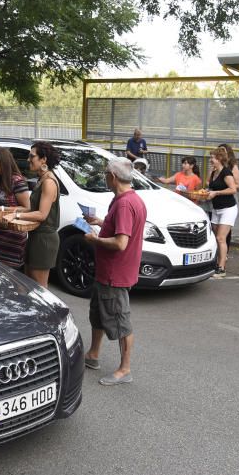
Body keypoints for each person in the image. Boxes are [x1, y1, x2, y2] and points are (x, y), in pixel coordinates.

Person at [82, 157, 146, 386]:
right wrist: (99, 221)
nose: (105, 178)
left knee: (120, 321)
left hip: (115, 274)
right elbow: (120, 228)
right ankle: (93, 355)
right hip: (107, 272)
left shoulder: (125, 204)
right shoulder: (124, 200)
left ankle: (125, 369)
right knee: (98, 315)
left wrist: (94, 239)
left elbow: (121, 243)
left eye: (106, 174)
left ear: (114, 177)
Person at [0, 141, 61, 287]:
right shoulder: (42, 179)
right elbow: (32, 209)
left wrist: (16, 216)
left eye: (32, 156)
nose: (28, 160)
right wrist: (10, 210)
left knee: (39, 289)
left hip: (44, 240)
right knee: (29, 284)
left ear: (43, 159)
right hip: (35, 237)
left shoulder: (49, 182)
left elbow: (41, 215)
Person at [0, 147, 30, 268]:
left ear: (4, 162)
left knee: (12, 279)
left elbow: (27, 208)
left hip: (12, 240)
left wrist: (2, 209)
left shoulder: (17, 182)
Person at [207, 148, 239, 277]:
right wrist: (206, 192)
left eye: (212, 158)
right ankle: (218, 261)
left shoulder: (226, 173)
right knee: (215, 238)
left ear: (219, 159)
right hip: (216, 209)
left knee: (221, 238)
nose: (211, 160)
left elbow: (233, 189)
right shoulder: (214, 172)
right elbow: (211, 187)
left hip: (228, 209)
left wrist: (217, 193)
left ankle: (221, 268)